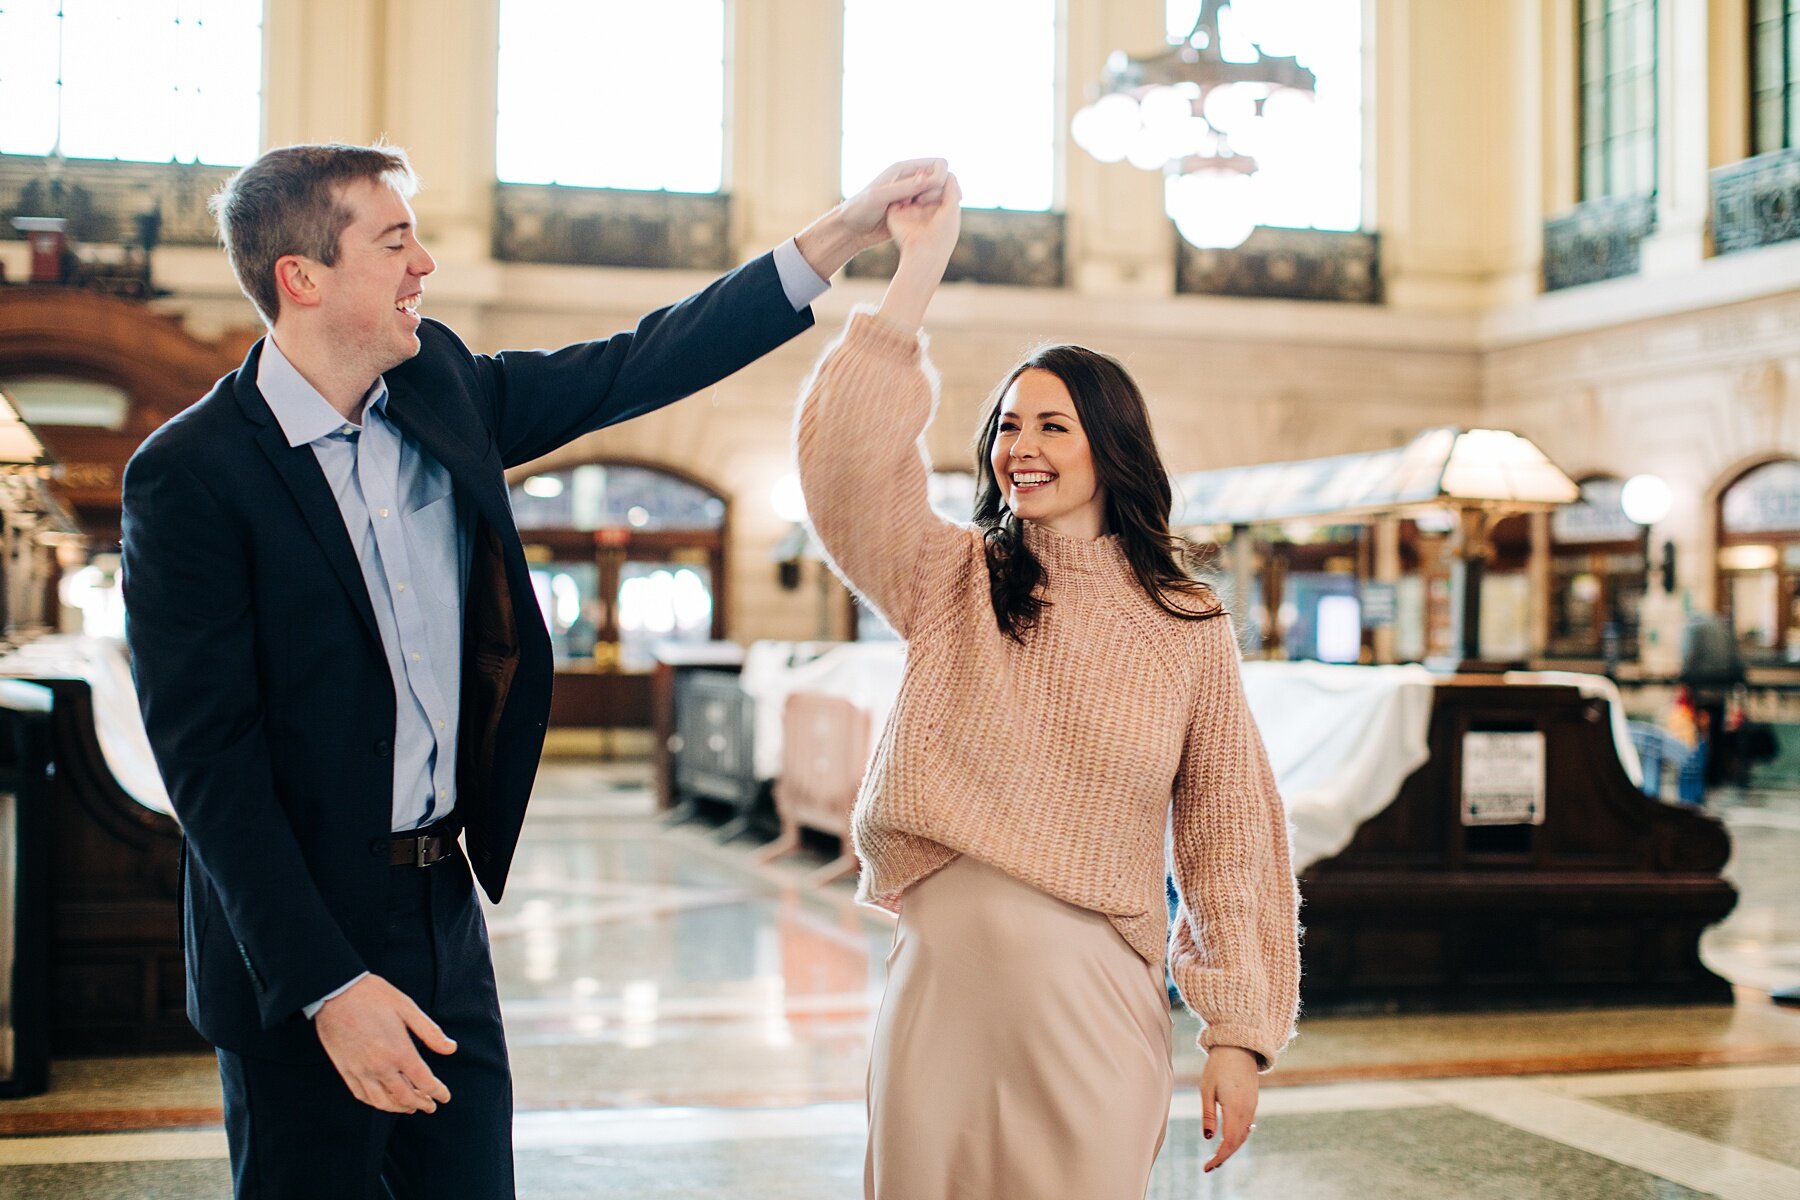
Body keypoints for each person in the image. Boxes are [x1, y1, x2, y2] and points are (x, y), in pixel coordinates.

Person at [121, 140, 946, 1199]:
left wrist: (847, 231)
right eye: (394, 240)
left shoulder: (441, 389)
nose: (424, 263)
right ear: (303, 276)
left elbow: (637, 361)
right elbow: (210, 768)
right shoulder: (190, 475)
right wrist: (328, 987)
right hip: (293, 945)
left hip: (439, 910)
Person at [794, 173, 1301, 1199]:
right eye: (1005, 427)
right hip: (944, 995)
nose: (1019, 449)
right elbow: (846, 471)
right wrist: (915, 275)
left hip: (1093, 1006)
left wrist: (1238, 1036)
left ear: (1111, 448)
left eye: (1051, 426)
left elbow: (1229, 832)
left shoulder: (1184, 624)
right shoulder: (951, 581)